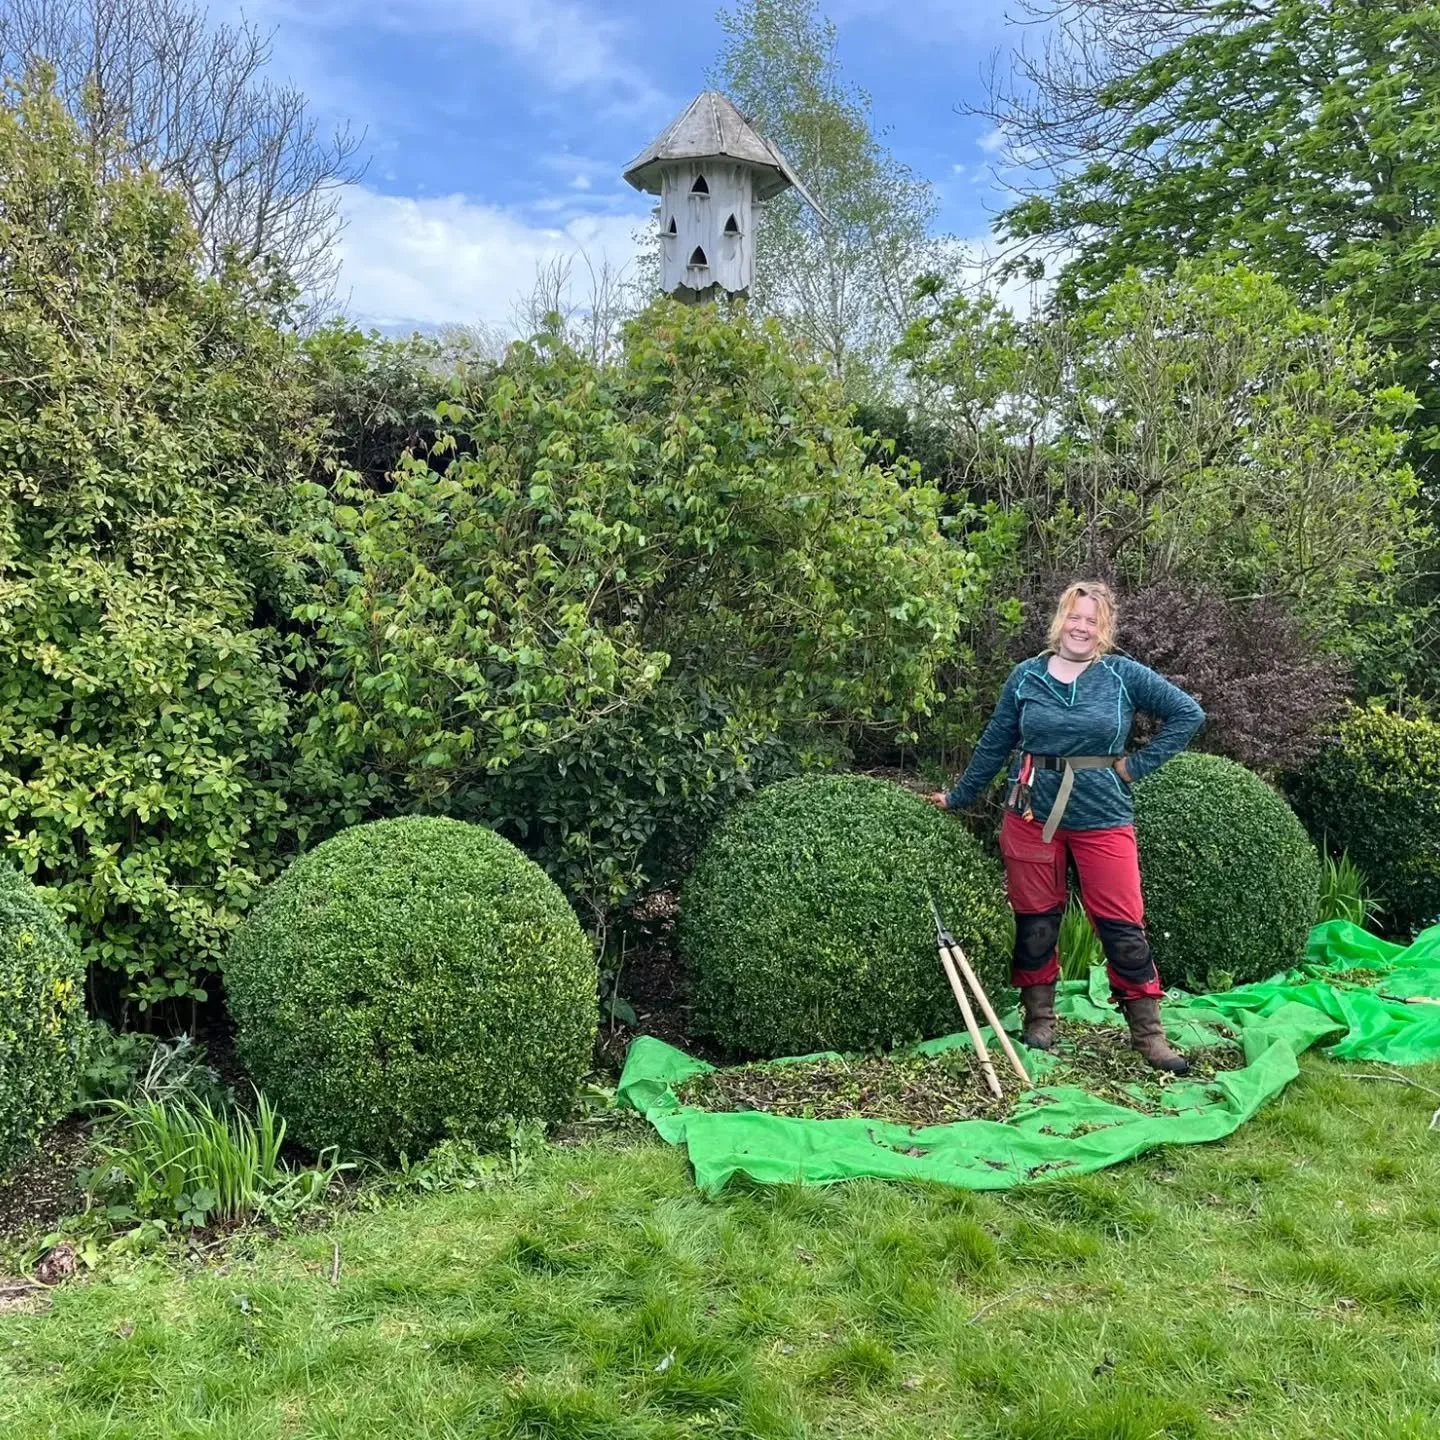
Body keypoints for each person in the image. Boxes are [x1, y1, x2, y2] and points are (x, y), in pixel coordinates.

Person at [929, 580, 1204, 1073]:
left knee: (1123, 927)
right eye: (1074, 617)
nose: (1081, 627)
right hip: (1031, 814)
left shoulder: (1122, 674)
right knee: (1036, 923)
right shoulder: (1026, 678)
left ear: (1104, 629)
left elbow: (1188, 713)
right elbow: (995, 743)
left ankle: (1149, 1035)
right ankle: (1039, 1021)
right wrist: (959, 796)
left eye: (1091, 620)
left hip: (1103, 815)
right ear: (1060, 621)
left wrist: (1134, 767)